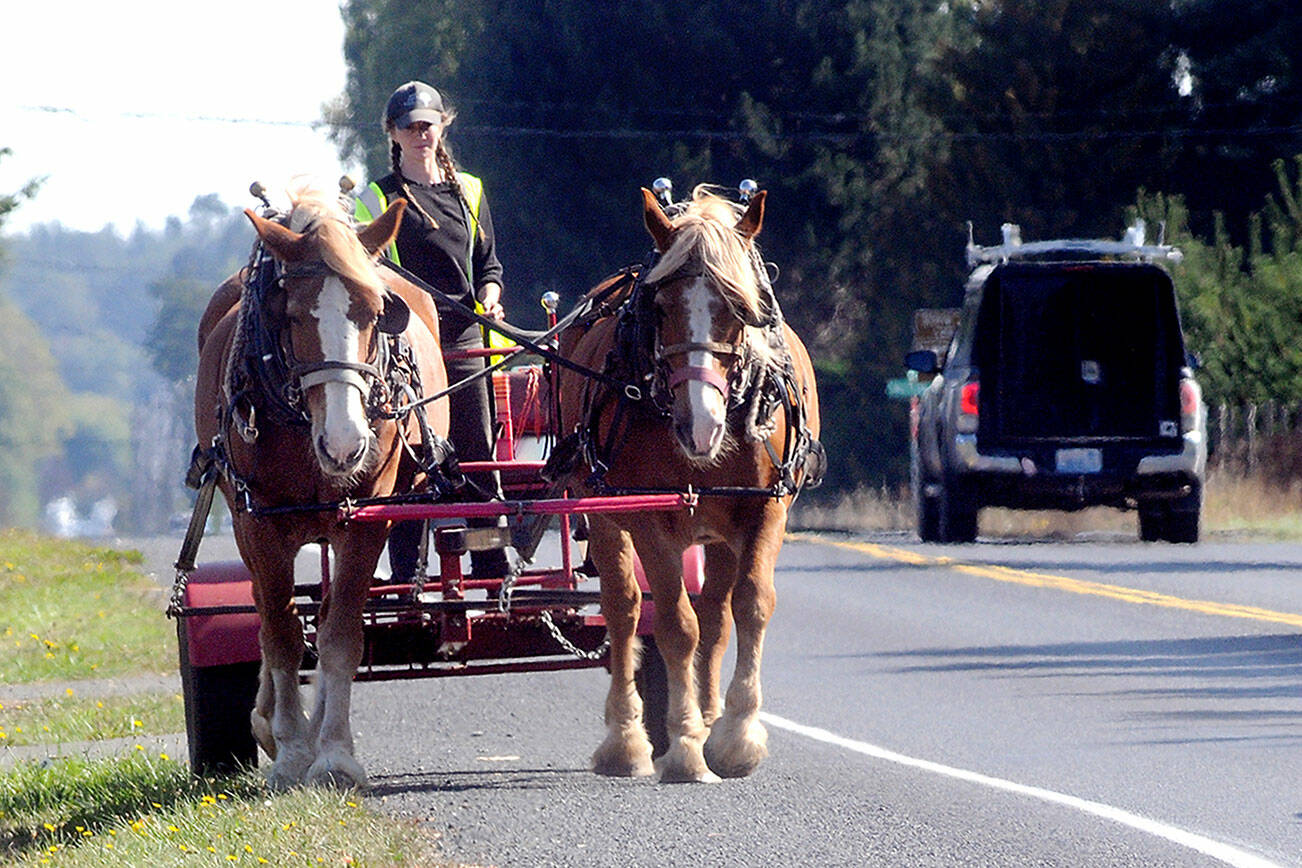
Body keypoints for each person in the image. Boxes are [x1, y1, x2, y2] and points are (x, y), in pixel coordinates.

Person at [355, 80, 510, 581]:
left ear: (444, 125)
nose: (420, 133)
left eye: (428, 124)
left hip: (465, 341)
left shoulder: (470, 189)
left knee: (476, 453)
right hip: (405, 341)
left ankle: (490, 566)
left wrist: (490, 293)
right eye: (409, 126)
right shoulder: (377, 197)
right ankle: (406, 578)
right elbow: (368, 268)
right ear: (393, 134)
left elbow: (489, 265)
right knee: (408, 460)